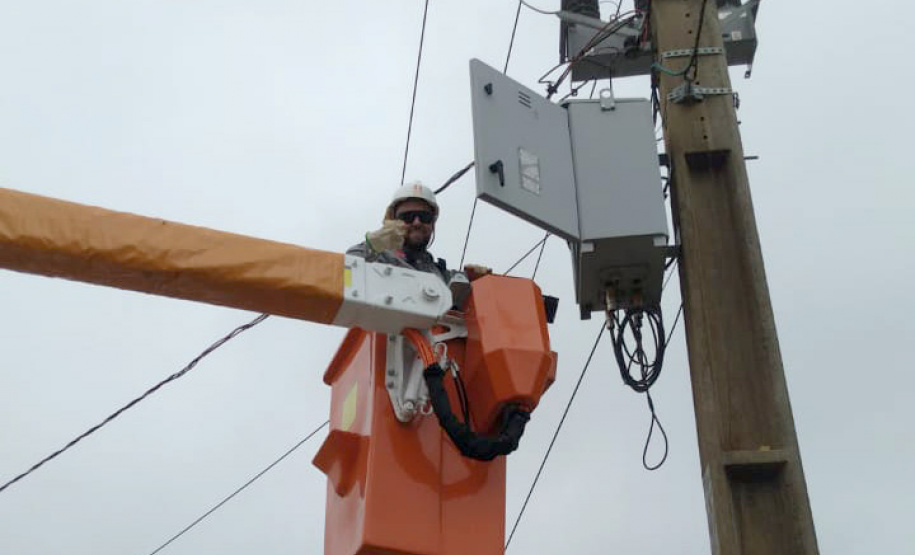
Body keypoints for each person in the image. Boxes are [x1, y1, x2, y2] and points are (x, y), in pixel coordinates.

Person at [347, 182, 490, 284]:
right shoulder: (377, 259)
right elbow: (346, 270)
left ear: (432, 224)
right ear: (393, 222)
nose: (417, 223)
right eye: (407, 217)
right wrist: (375, 243)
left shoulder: (442, 276)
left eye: (424, 217)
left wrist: (477, 280)